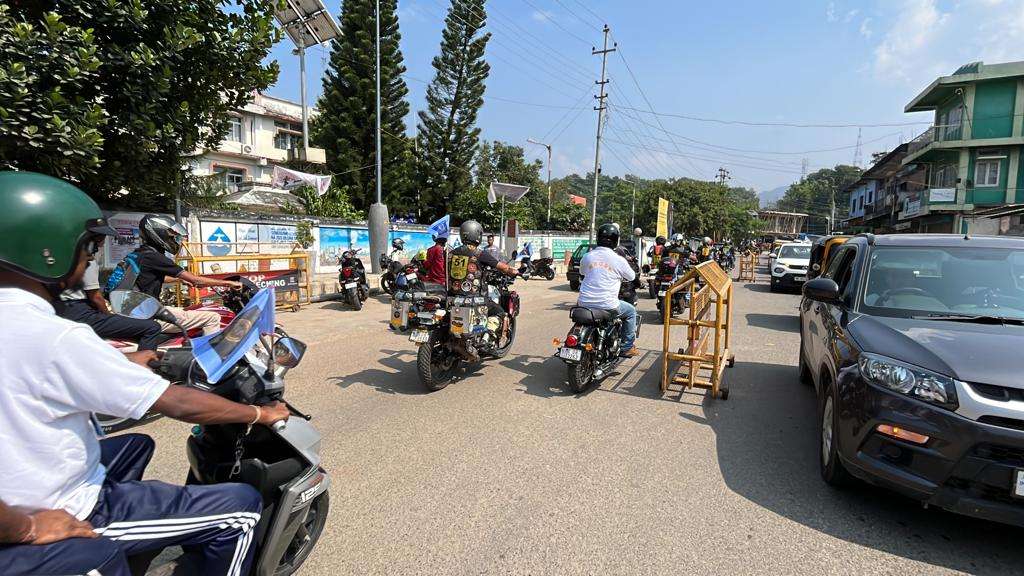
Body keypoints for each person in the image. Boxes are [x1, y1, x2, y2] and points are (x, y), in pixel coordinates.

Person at [0, 171, 290, 575]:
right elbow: (176, 402)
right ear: (47, 250)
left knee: (136, 444)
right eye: (85, 253)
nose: (87, 262)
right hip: (60, 506)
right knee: (241, 508)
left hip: (29, 479)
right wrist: (260, 414)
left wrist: (129, 363)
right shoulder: (56, 335)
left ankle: (136, 551)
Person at [112, 214, 241, 336]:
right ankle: (210, 356)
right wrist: (228, 283)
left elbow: (150, 278)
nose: (176, 241)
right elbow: (196, 281)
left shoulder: (139, 254)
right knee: (213, 317)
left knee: (185, 310)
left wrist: (180, 281)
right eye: (172, 237)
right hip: (145, 316)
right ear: (159, 235)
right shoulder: (155, 257)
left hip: (135, 310)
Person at [58, 258, 165, 350]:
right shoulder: (87, 261)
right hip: (80, 312)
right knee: (152, 327)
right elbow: (95, 297)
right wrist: (108, 316)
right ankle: (144, 369)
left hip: (66, 310)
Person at [447, 220, 518, 360]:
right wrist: (513, 270)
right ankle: (486, 340)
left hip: (453, 296)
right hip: (474, 297)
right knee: (500, 313)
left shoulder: (451, 253)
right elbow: (502, 266)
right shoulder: (479, 253)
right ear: (477, 235)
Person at [577, 223, 639, 358]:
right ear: (616, 240)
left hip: (583, 303)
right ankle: (627, 347)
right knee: (631, 312)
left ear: (598, 238)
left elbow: (582, 272)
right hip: (607, 304)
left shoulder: (587, 256)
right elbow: (632, 276)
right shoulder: (619, 260)